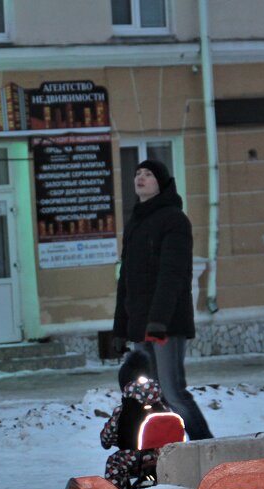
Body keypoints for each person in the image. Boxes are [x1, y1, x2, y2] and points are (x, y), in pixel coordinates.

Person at [112, 159, 213, 440]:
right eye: (137, 173)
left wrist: (158, 321)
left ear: (161, 183)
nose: (140, 178)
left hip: (165, 325)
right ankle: (167, 452)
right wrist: (121, 328)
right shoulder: (135, 222)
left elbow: (172, 274)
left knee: (172, 391)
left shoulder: (174, 220)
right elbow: (126, 281)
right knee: (151, 395)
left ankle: (205, 446)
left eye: (148, 174)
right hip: (141, 323)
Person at [100, 349, 186, 489]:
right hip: (166, 456)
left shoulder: (123, 410)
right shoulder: (161, 405)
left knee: (113, 462)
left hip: (137, 458)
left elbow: (106, 439)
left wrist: (112, 439)